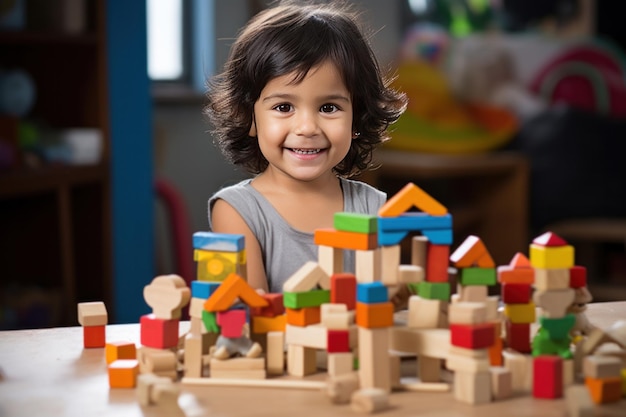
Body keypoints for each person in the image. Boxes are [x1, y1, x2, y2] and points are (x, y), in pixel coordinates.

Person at [205, 1, 407, 295]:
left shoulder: (373, 208)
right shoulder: (237, 212)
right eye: (284, 107)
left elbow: (382, 305)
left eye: (328, 107)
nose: (308, 127)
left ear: (357, 117)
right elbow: (248, 317)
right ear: (250, 117)